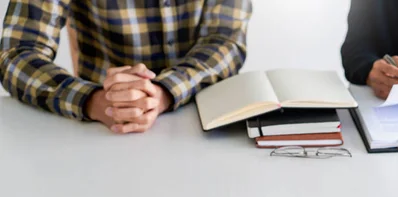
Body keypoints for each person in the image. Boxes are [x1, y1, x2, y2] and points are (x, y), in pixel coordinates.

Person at [0, 0, 252, 133]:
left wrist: (165, 90)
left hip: (202, 124)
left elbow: (226, 39)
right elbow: (16, 53)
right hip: (101, 130)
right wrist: (91, 99)